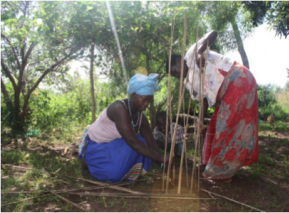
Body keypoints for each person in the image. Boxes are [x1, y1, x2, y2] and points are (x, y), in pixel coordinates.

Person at [166, 30, 259, 185]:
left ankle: (220, 174)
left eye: (175, 71)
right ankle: (214, 167)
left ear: (178, 60)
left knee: (224, 129)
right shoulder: (187, 83)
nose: (177, 75)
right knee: (213, 130)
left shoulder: (191, 54)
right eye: (174, 76)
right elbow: (202, 100)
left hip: (238, 80)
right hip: (228, 93)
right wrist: (200, 120)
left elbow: (213, 34)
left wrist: (200, 53)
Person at [78, 73, 167, 183]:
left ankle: (120, 166)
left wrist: (163, 163)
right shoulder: (118, 108)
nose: (146, 104)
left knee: (141, 142)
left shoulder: (141, 117)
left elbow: (151, 143)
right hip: (97, 144)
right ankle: (89, 161)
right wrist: (160, 157)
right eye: (143, 99)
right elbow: (131, 141)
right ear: (133, 95)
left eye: (149, 100)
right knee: (115, 174)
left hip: (114, 144)